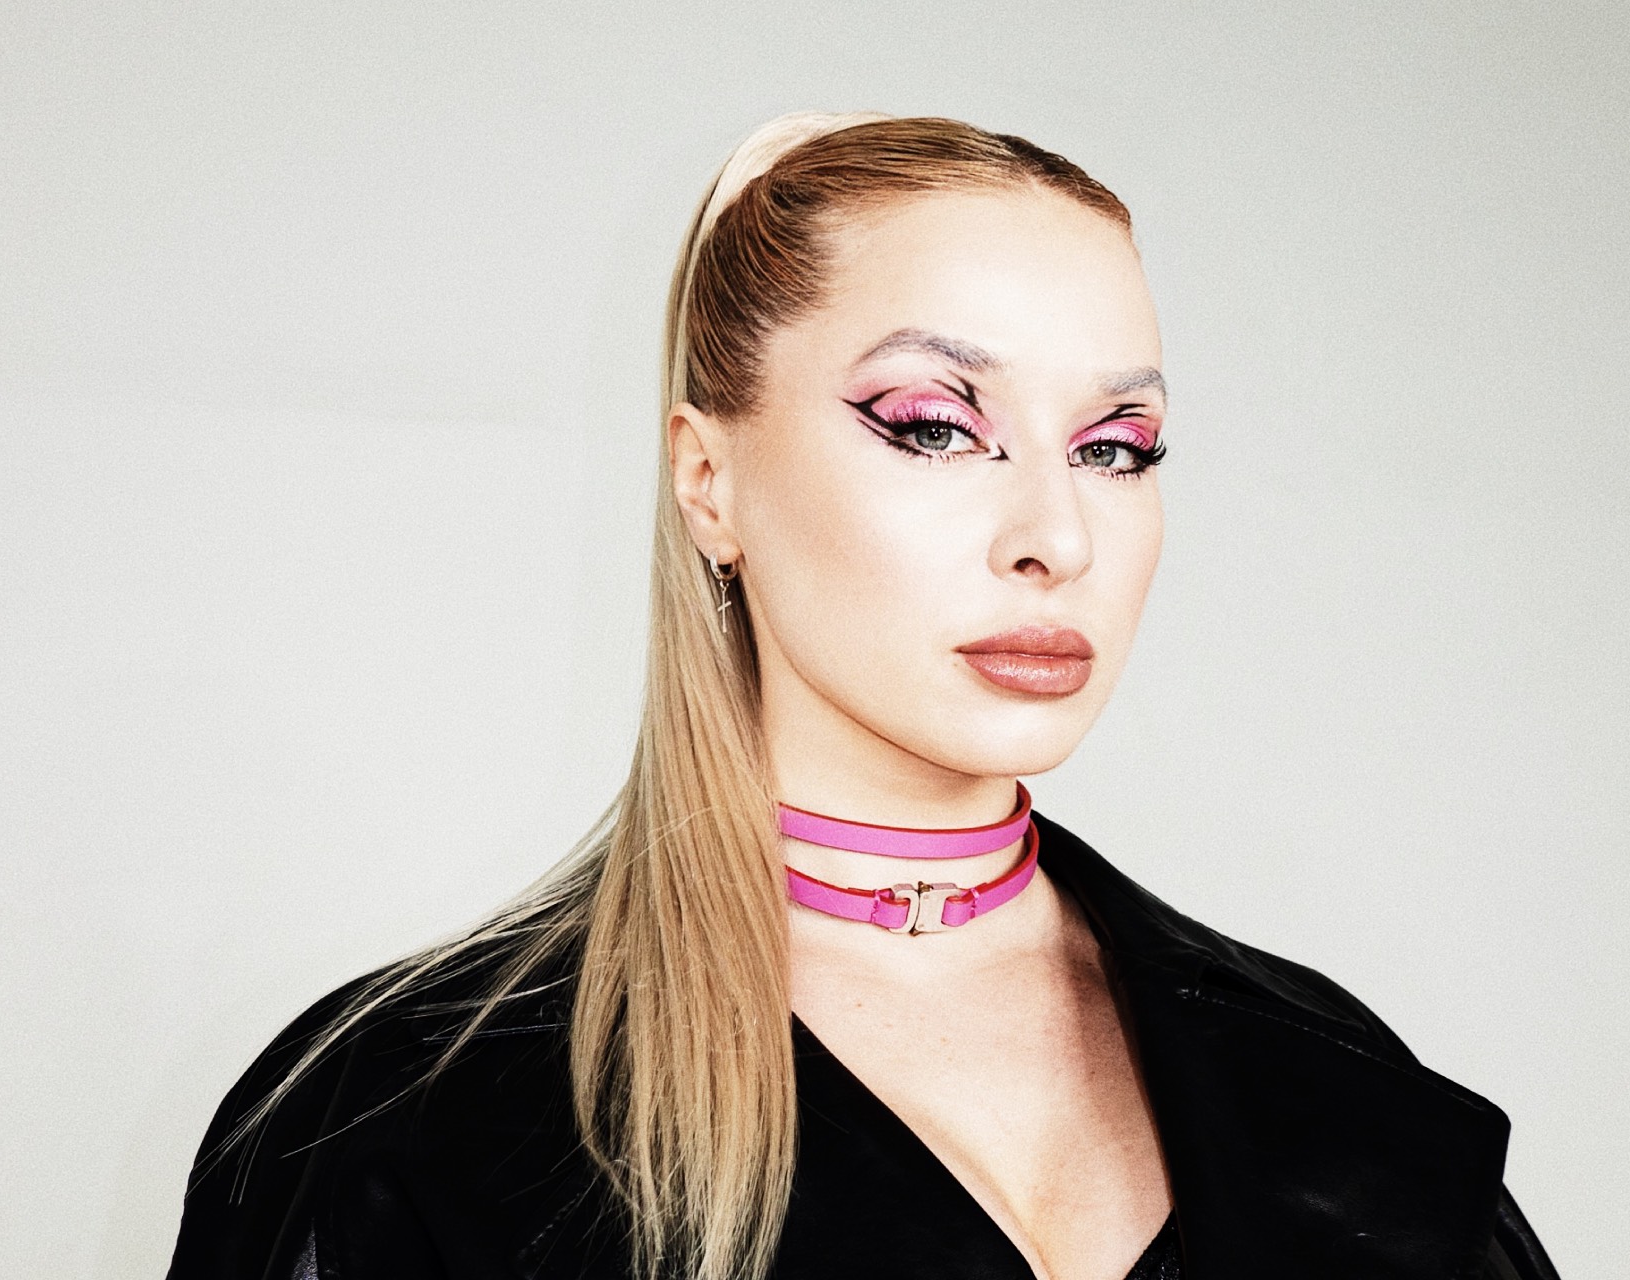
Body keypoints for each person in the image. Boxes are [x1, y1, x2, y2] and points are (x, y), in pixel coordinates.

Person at [166, 113, 1560, 1280]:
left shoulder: (1335, 1085)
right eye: (937, 427)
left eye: (1117, 447)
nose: (1056, 537)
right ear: (707, 480)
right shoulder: (409, 1123)